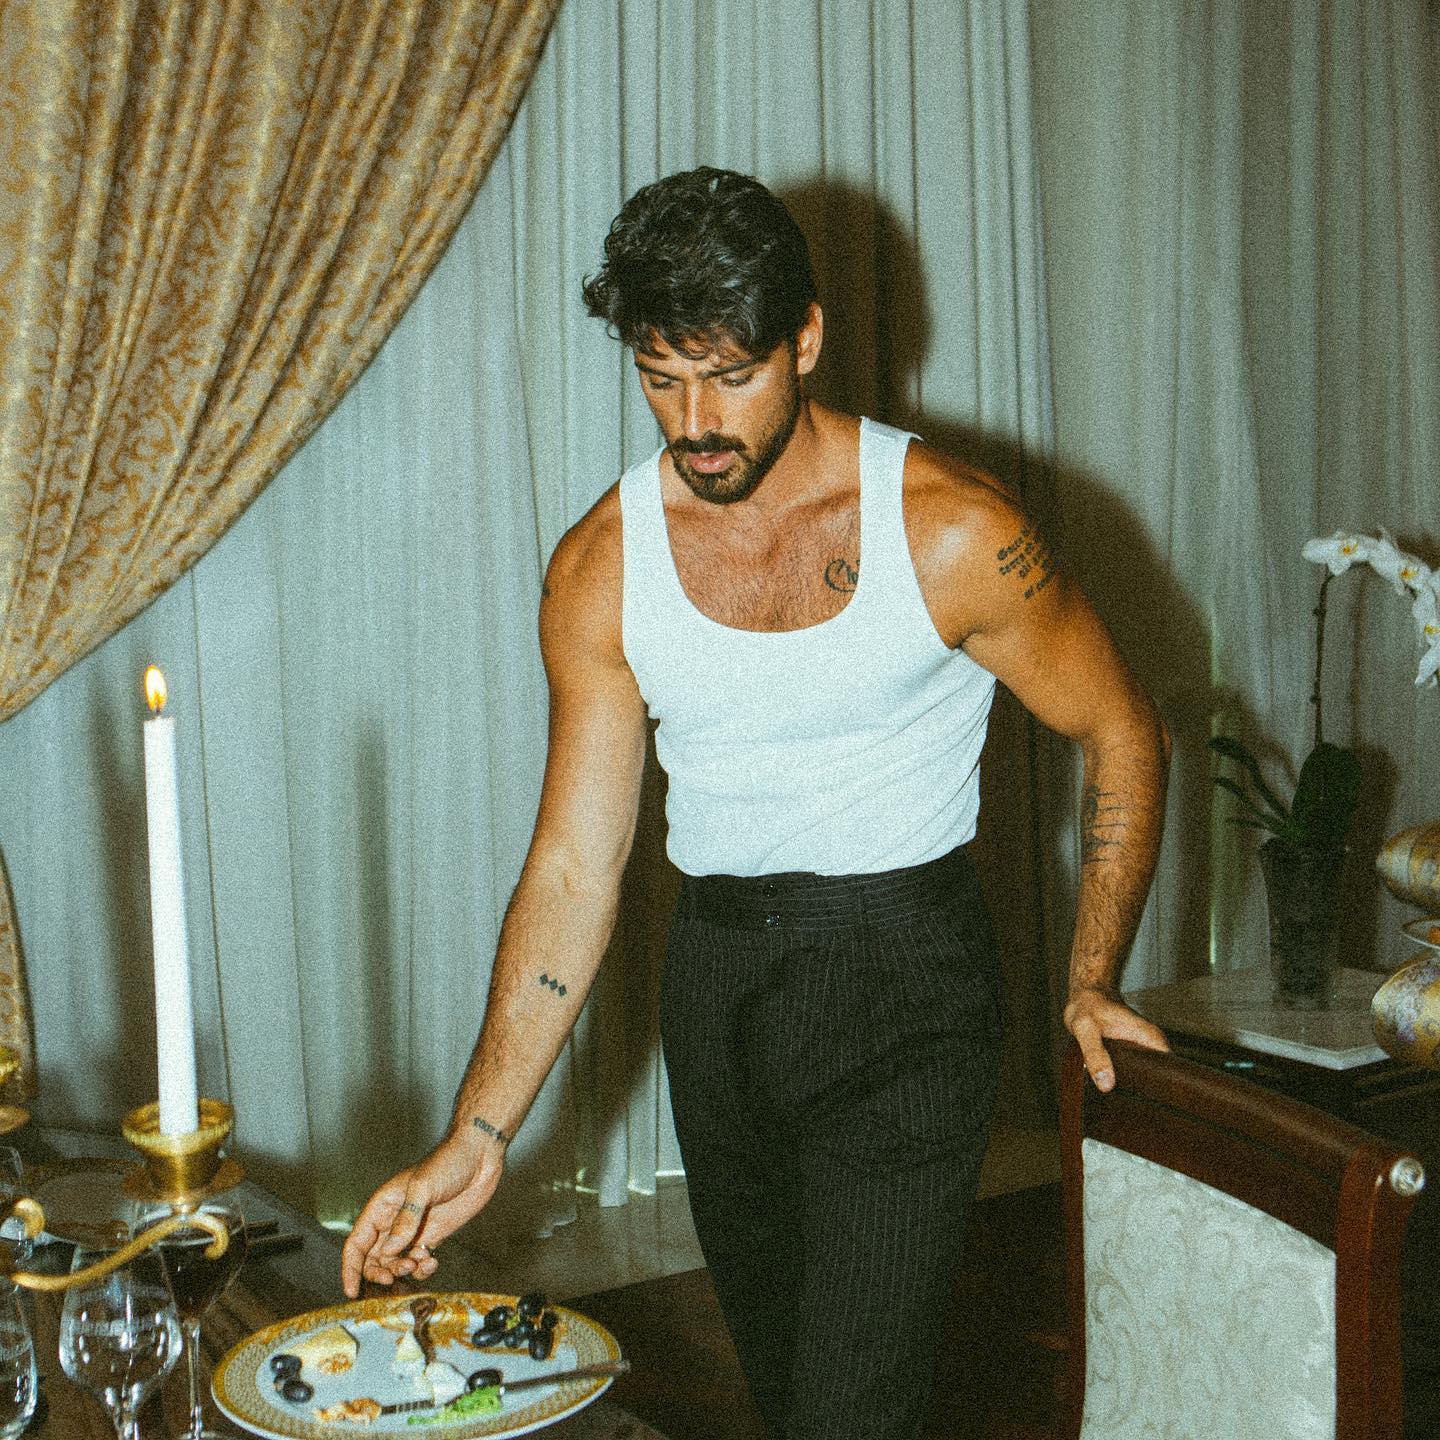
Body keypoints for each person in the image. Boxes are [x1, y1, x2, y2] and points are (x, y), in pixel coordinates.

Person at [341, 167, 1170, 1439]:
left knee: (851, 1412)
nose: (696, 422)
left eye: (729, 375)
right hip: (720, 990)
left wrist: (1093, 975)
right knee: (788, 1398)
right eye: (660, 378)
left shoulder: (952, 532)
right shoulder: (601, 567)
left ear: (807, 339)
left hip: (908, 986)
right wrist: (480, 1131)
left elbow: (1120, 726)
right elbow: (573, 866)